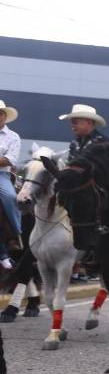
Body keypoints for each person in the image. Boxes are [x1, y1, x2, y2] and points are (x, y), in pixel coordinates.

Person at [0, 100, 23, 270]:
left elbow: (9, 159)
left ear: (5, 117)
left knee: (9, 196)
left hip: (2, 174)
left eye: (0, 113)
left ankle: (17, 233)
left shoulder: (13, 136)